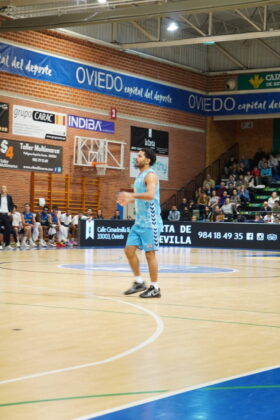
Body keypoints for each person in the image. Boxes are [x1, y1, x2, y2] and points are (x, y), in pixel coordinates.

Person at [117, 148, 163, 298]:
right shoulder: (139, 176)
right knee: (129, 250)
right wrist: (128, 200)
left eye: (140, 156)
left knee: (150, 254)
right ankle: (138, 282)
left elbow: (150, 195)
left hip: (151, 221)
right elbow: (139, 197)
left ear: (148, 160)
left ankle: (155, 287)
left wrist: (130, 194)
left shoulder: (150, 175)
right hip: (139, 222)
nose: (136, 158)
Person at [0, 185, 14, 249]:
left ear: (6, 189)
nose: (3, 189)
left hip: (6, 215)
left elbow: (12, 205)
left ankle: (7, 244)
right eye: (2, 188)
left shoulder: (9, 197)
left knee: (8, 229)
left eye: (4, 188)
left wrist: (10, 212)